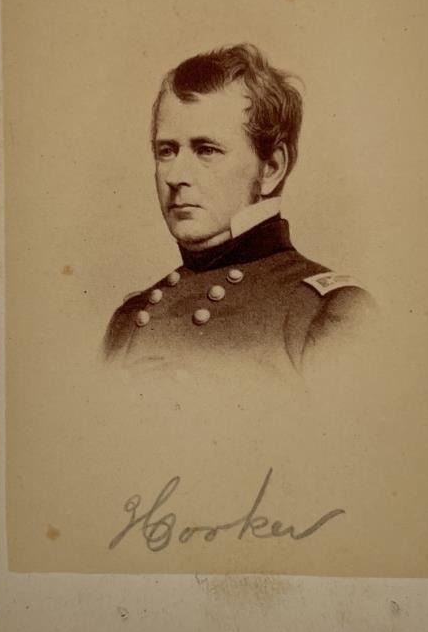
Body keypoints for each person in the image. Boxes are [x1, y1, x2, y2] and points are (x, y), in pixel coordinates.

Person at [104, 43, 372, 382]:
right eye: (166, 151)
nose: (175, 176)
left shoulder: (328, 312)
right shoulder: (129, 320)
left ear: (271, 168)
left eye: (206, 150)